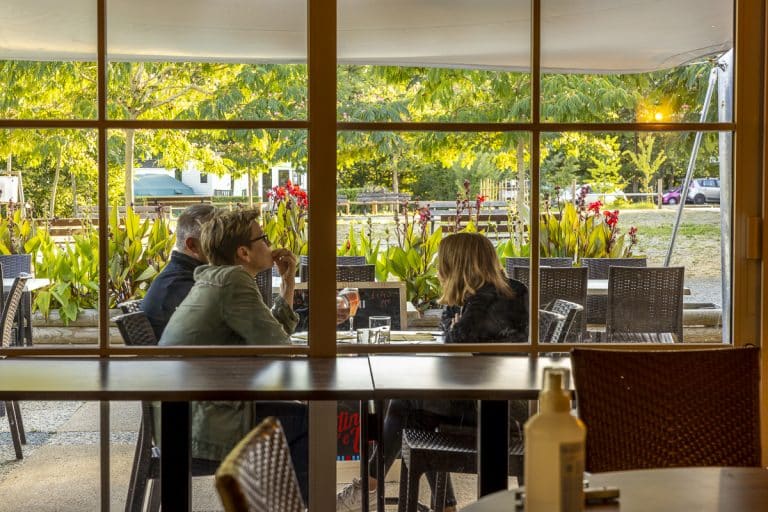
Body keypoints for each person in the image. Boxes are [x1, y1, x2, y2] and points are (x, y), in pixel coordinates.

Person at [337, 232, 528, 512]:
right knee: (410, 411)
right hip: (502, 400)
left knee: (404, 403)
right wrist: (454, 318)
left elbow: (455, 343)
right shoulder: (504, 289)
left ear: (457, 263)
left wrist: (455, 323)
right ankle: (437, 504)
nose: (438, 268)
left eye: (443, 262)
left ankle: (369, 487)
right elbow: (451, 333)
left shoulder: (486, 297)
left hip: (493, 410)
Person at [158, 209, 309, 501]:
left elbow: (273, 338)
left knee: (298, 415)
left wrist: (288, 284)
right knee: (311, 420)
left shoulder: (216, 278)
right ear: (244, 252)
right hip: (203, 427)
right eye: (263, 238)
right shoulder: (233, 282)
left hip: (184, 418)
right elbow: (280, 350)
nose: (270, 243)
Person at [141, 203, 215, 339]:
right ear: (192, 245)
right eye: (216, 237)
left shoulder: (182, 276)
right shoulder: (182, 286)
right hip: (176, 359)